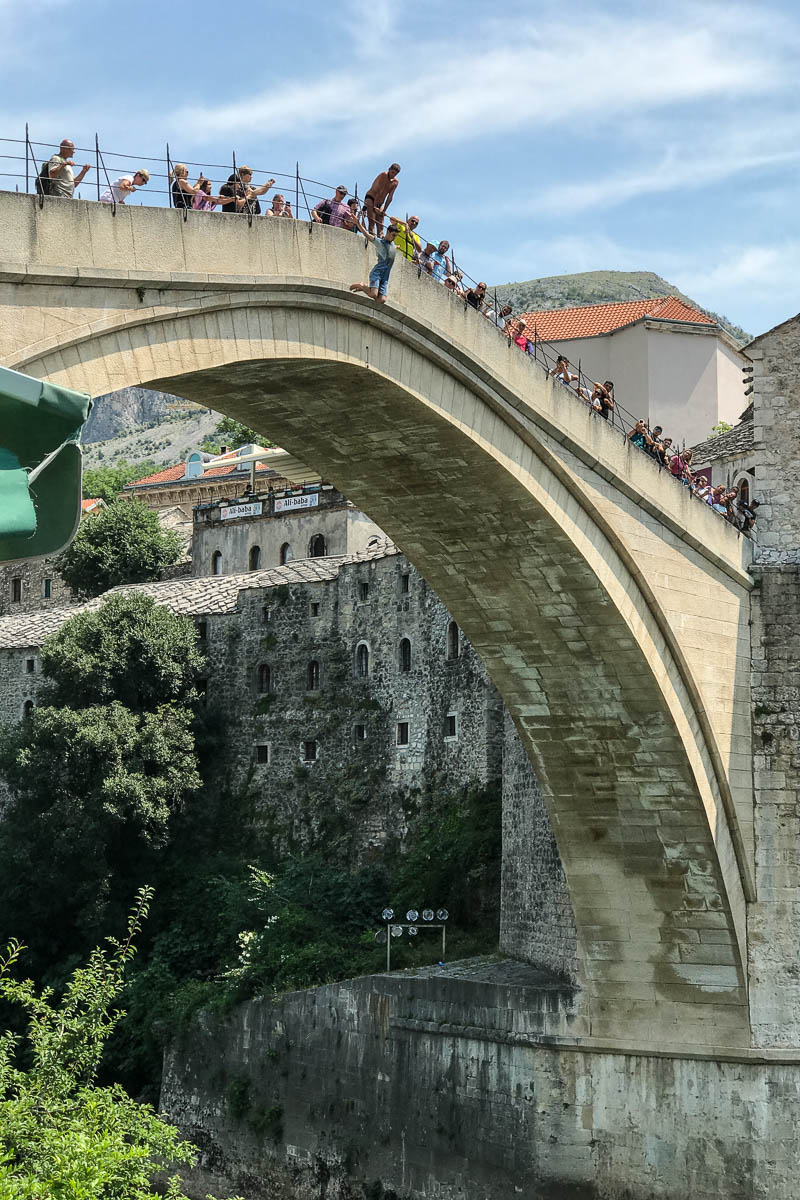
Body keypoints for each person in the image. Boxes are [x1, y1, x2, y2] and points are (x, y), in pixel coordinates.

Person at [349, 220, 399, 303]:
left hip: (385, 277)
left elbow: (392, 249)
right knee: (373, 294)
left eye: (396, 236)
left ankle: (365, 288)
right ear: (388, 232)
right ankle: (361, 285)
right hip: (377, 273)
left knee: (382, 300)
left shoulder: (392, 244)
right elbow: (367, 235)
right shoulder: (380, 243)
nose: (394, 238)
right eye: (393, 235)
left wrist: (396, 247)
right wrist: (358, 223)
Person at [364, 163, 401, 235]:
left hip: (380, 203)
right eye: (392, 172)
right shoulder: (384, 175)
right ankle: (371, 239)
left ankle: (380, 241)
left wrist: (384, 210)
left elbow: (390, 197)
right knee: (372, 222)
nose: (393, 175)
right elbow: (378, 191)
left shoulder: (395, 182)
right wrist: (374, 207)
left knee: (380, 226)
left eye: (395, 174)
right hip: (371, 198)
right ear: (389, 169)